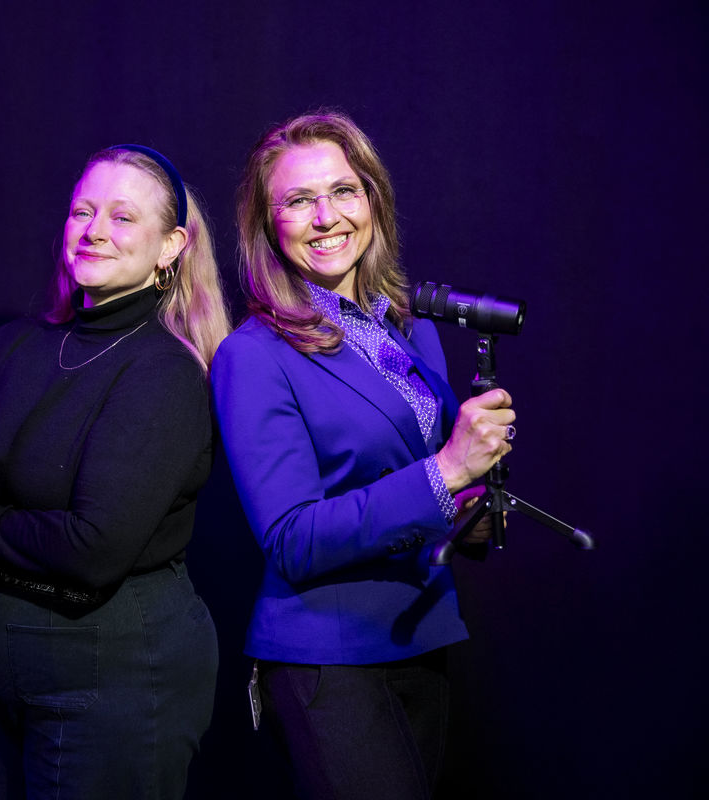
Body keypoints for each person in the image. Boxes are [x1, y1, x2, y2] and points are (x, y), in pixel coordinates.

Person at [0, 144, 232, 799]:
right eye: (82, 211)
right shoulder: (13, 345)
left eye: (122, 218)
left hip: (112, 686)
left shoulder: (165, 374)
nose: (94, 230)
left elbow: (92, 550)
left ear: (170, 246)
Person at [211, 111, 515, 799]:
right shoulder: (252, 357)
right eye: (297, 200)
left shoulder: (411, 334)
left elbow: (422, 499)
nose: (326, 216)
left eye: (344, 191)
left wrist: (472, 509)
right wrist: (447, 471)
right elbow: (291, 539)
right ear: (267, 224)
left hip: (424, 637)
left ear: (373, 200)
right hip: (330, 658)